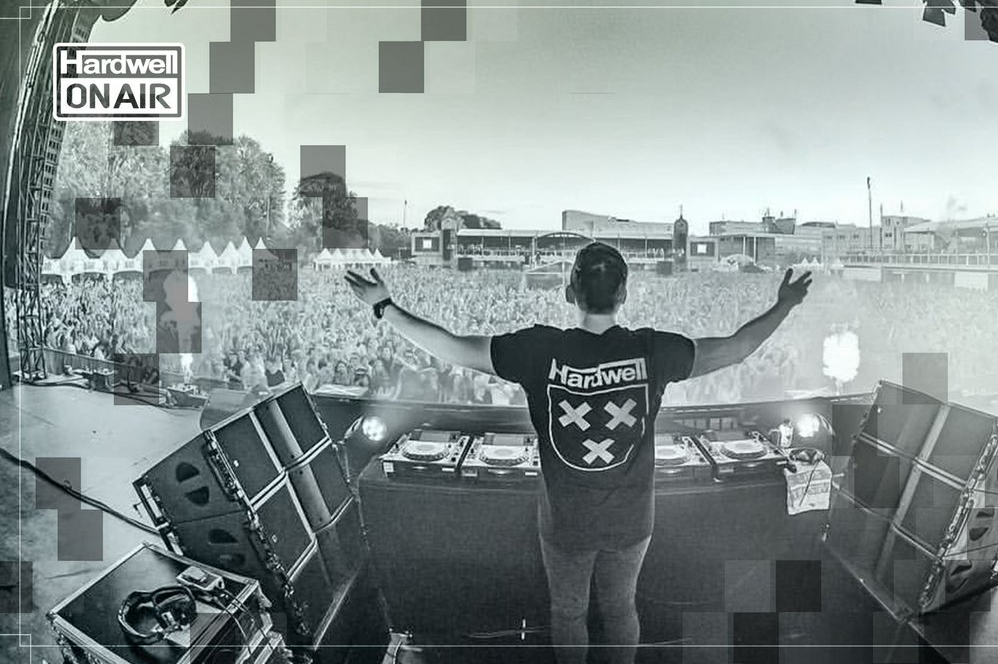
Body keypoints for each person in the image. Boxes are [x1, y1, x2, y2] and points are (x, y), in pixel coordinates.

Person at [345, 243, 812, 664]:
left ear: (570, 292)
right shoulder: (653, 351)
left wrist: (385, 307)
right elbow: (736, 349)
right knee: (622, 607)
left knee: (568, 612)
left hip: (565, 522)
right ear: (624, 293)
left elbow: (451, 347)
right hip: (632, 521)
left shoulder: (538, 350)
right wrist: (784, 305)